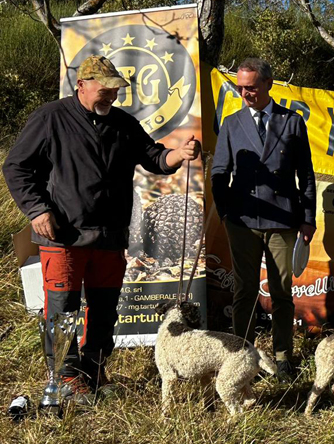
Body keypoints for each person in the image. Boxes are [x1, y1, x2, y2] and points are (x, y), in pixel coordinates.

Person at [3, 55, 200, 402]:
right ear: (82, 85)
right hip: (63, 235)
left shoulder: (123, 123)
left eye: (115, 89)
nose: (112, 95)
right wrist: (37, 210)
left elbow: (154, 157)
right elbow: (16, 167)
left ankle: (93, 371)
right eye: (105, 89)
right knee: (63, 310)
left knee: (105, 309)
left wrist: (179, 154)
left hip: (110, 235)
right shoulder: (50, 118)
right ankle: (64, 378)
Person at [211, 57, 316, 382]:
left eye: (252, 87)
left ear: (268, 84)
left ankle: (284, 358)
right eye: (241, 88)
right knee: (244, 291)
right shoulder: (231, 123)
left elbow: (306, 175)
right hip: (242, 221)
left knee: (282, 292)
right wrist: (225, 211)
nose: (245, 93)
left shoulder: (292, 122)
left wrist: (308, 219)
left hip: (283, 221)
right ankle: (241, 357)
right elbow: (219, 172)